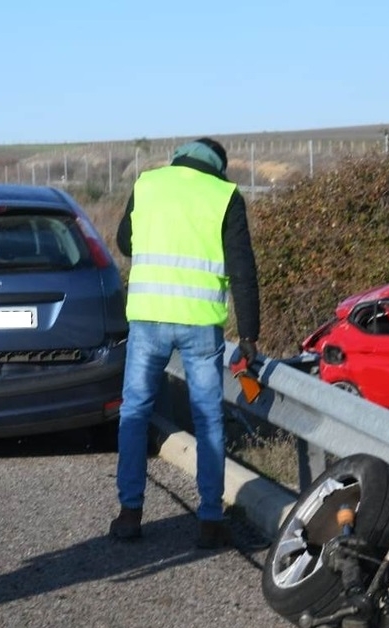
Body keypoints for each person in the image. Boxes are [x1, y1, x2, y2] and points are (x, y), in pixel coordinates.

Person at [110, 137, 261, 550]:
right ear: (218, 167)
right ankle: (210, 520)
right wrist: (249, 335)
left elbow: (125, 243)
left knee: (135, 411)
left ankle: (129, 513)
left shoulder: (148, 184)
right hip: (199, 325)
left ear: (179, 159)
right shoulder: (224, 195)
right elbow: (242, 268)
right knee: (209, 417)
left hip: (148, 318)